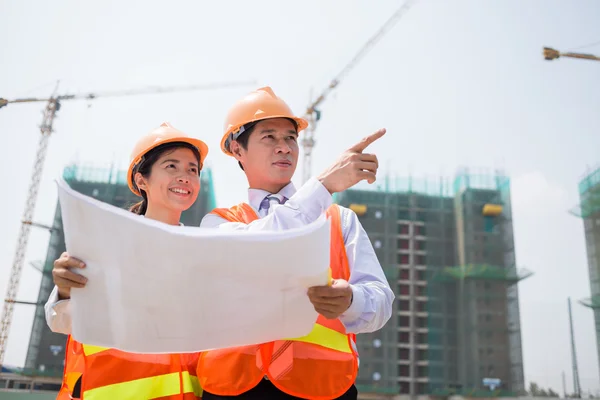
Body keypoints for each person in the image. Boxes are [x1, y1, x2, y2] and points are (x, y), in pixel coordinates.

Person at [197, 86, 395, 400]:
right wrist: (324, 185)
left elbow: (381, 301)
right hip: (234, 388)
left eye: (290, 138)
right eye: (269, 137)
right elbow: (261, 244)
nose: (285, 148)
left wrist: (352, 300)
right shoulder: (219, 223)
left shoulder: (339, 219)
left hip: (322, 387)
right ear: (237, 149)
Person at [47, 122, 208, 400]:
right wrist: (64, 288)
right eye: (172, 166)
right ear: (141, 180)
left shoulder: (203, 253)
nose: (185, 176)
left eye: (192, 170)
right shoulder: (106, 246)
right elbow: (61, 321)